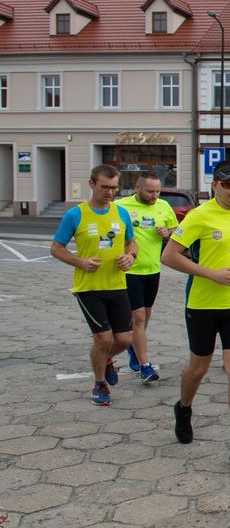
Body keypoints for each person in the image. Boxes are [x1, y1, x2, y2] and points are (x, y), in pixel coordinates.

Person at [161, 160, 230, 462]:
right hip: (203, 305)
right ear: (216, 186)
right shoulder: (199, 216)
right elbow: (169, 257)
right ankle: (183, 408)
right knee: (199, 369)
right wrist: (210, 273)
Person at [51, 164, 138, 406]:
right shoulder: (75, 215)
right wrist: (80, 261)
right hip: (89, 288)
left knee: (124, 340)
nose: (110, 192)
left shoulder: (121, 213)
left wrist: (130, 257)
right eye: (105, 187)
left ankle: (106, 360)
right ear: (91, 184)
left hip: (117, 285)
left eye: (114, 187)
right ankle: (100, 384)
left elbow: (132, 242)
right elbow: (56, 248)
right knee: (103, 339)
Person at [115, 172, 177, 383]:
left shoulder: (163, 207)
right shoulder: (121, 206)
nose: (154, 195)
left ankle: (134, 346)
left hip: (153, 269)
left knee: (146, 315)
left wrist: (167, 234)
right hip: (130, 270)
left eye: (158, 191)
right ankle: (145, 366)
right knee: (139, 316)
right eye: (150, 191)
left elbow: (176, 230)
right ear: (137, 187)